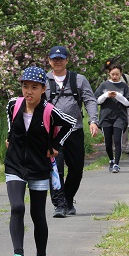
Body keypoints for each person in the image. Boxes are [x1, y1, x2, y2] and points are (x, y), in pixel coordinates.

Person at [5, 66, 76, 256]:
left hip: (38, 167)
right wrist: (10, 135)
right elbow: (11, 124)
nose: (28, 91)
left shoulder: (49, 111)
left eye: (34, 87)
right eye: (25, 86)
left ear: (43, 89)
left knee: (38, 214)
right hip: (15, 165)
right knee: (17, 207)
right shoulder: (13, 104)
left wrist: (55, 145)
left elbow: (71, 124)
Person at [45, 46, 99, 218]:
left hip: (74, 130)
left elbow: (90, 100)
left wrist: (93, 120)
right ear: (49, 61)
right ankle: (59, 204)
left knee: (76, 169)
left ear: (67, 60)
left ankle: (68, 198)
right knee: (55, 169)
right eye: (54, 59)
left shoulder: (79, 79)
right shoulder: (43, 80)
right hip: (52, 133)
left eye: (61, 58)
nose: (58, 61)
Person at [95, 63, 129, 173]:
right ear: (109, 73)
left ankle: (116, 163)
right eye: (113, 74)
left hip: (120, 117)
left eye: (117, 74)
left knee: (117, 140)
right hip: (106, 117)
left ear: (121, 74)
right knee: (108, 142)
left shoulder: (124, 86)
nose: (115, 76)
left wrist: (118, 96)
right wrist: (106, 95)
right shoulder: (104, 85)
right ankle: (111, 159)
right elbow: (96, 100)